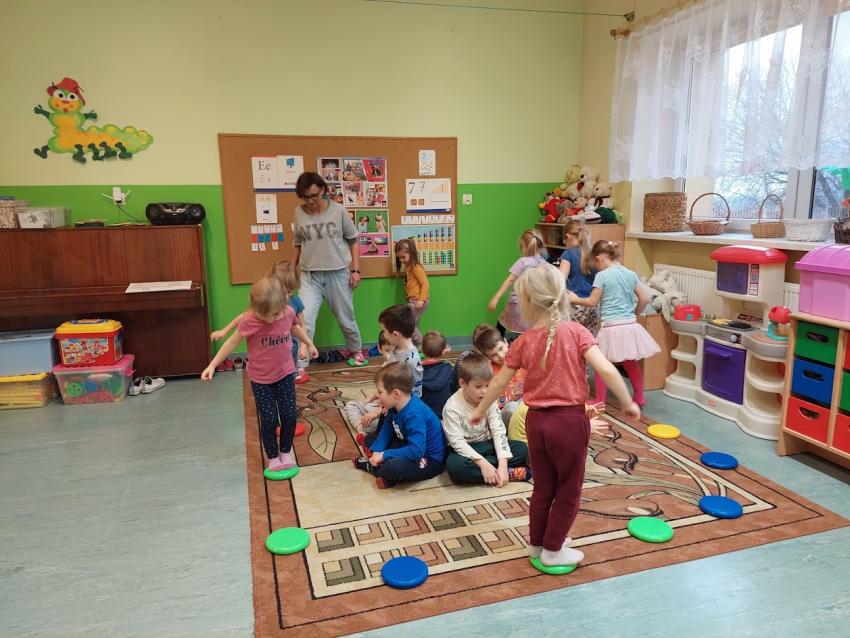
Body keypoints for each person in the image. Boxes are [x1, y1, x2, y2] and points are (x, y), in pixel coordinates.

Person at [469, 263, 640, 568]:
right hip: (568, 423)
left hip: (536, 422)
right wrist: (627, 401)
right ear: (562, 295)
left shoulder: (522, 341)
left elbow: (498, 382)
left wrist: (480, 411)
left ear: (527, 302)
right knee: (569, 489)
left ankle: (537, 544)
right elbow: (605, 368)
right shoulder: (577, 332)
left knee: (543, 487)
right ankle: (553, 549)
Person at [202, 277, 318, 472]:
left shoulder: (288, 312)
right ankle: (273, 456)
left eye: (275, 314)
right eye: (266, 316)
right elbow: (231, 342)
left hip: (285, 373)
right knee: (270, 420)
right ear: (254, 307)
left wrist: (309, 343)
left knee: (289, 416)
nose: (271, 320)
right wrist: (213, 365)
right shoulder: (250, 320)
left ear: (284, 303)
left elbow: (295, 328)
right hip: (261, 380)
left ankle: (285, 452)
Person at [569, 240, 660, 407]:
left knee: (602, 364)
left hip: (611, 327)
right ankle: (639, 397)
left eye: (595, 264)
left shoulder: (602, 276)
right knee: (630, 362)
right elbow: (644, 298)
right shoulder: (630, 273)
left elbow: (592, 301)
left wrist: (574, 299)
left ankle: (599, 400)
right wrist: (634, 314)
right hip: (629, 325)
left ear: (599, 259)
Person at [292, 171, 367, 367]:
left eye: (314, 196)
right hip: (310, 276)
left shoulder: (338, 211)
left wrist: (355, 270)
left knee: (346, 319)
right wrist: (291, 270)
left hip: (338, 273)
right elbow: (298, 244)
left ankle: (356, 351)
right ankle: (301, 365)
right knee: (304, 321)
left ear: (323, 190)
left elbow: (353, 240)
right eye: (305, 197)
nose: (310, 201)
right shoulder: (299, 213)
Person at [210, 260, 310, 384]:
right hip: (267, 360)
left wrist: (304, 346)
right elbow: (241, 319)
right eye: (284, 291)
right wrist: (224, 330)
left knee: (288, 381)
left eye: (290, 292)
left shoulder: (294, 304)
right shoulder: (263, 305)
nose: (287, 296)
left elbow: (301, 325)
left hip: (289, 353)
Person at [352, 362, 446, 489]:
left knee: (393, 466)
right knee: (370, 440)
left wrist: (384, 455)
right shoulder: (394, 405)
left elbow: (417, 451)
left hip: (428, 459)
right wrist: (377, 450)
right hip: (409, 445)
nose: (377, 395)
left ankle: (372, 467)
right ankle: (389, 477)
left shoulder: (414, 414)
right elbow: (387, 429)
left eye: (380, 392)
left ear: (396, 394)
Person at [442, 353, 531, 485]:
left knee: (521, 448)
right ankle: (507, 473)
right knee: (455, 467)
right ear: (462, 383)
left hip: (488, 445)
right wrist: (483, 464)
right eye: (478, 387)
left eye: (487, 385)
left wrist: (502, 464)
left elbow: (498, 431)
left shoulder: (489, 398)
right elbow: (457, 442)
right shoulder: (452, 407)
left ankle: (499, 471)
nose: (484, 391)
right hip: (466, 449)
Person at [452, 323, 524, 425]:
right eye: (494, 355)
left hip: (523, 411)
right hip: (501, 417)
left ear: (505, 342)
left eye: (501, 349)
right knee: (512, 408)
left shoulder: (522, 362)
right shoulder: (488, 372)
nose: (500, 355)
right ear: (488, 357)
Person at [488, 229, 547, 338]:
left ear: (524, 247)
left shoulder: (523, 262)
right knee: (527, 329)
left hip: (517, 303)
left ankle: (499, 343)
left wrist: (496, 297)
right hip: (533, 304)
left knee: (502, 322)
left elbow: (510, 280)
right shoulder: (543, 263)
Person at [345, 332, 392, 447]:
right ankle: (361, 431)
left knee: (371, 422)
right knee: (351, 405)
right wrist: (370, 399)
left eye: (394, 351)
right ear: (379, 349)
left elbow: (397, 401)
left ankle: (366, 429)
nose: (391, 355)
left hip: (388, 414)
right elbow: (382, 390)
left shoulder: (397, 370)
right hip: (380, 407)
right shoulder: (385, 365)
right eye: (387, 351)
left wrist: (377, 413)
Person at [559, 219, 599, 335]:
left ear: (568, 237)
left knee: (571, 339)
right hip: (592, 305)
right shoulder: (595, 254)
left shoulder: (568, 253)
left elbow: (560, 280)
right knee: (589, 340)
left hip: (574, 305)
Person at [395, 238, 429, 347]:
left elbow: (425, 284)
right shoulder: (408, 267)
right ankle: (416, 346)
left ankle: (422, 345)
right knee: (414, 324)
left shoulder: (416, 267)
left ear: (412, 253)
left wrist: (421, 300)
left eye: (403, 257)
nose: (401, 260)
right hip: (413, 301)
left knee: (409, 323)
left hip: (418, 301)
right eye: (399, 258)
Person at [420, 330, 453, 419]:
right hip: (444, 414)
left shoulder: (417, 371)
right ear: (443, 352)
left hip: (424, 416)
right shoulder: (448, 368)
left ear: (421, 349)